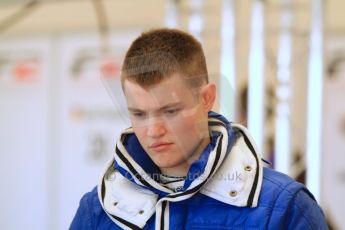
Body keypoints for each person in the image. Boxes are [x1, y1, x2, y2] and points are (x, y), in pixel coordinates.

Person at [70, 28, 327, 230]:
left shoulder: (284, 206)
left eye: (170, 112)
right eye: (139, 114)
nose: (153, 131)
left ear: (206, 99)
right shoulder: (97, 210)